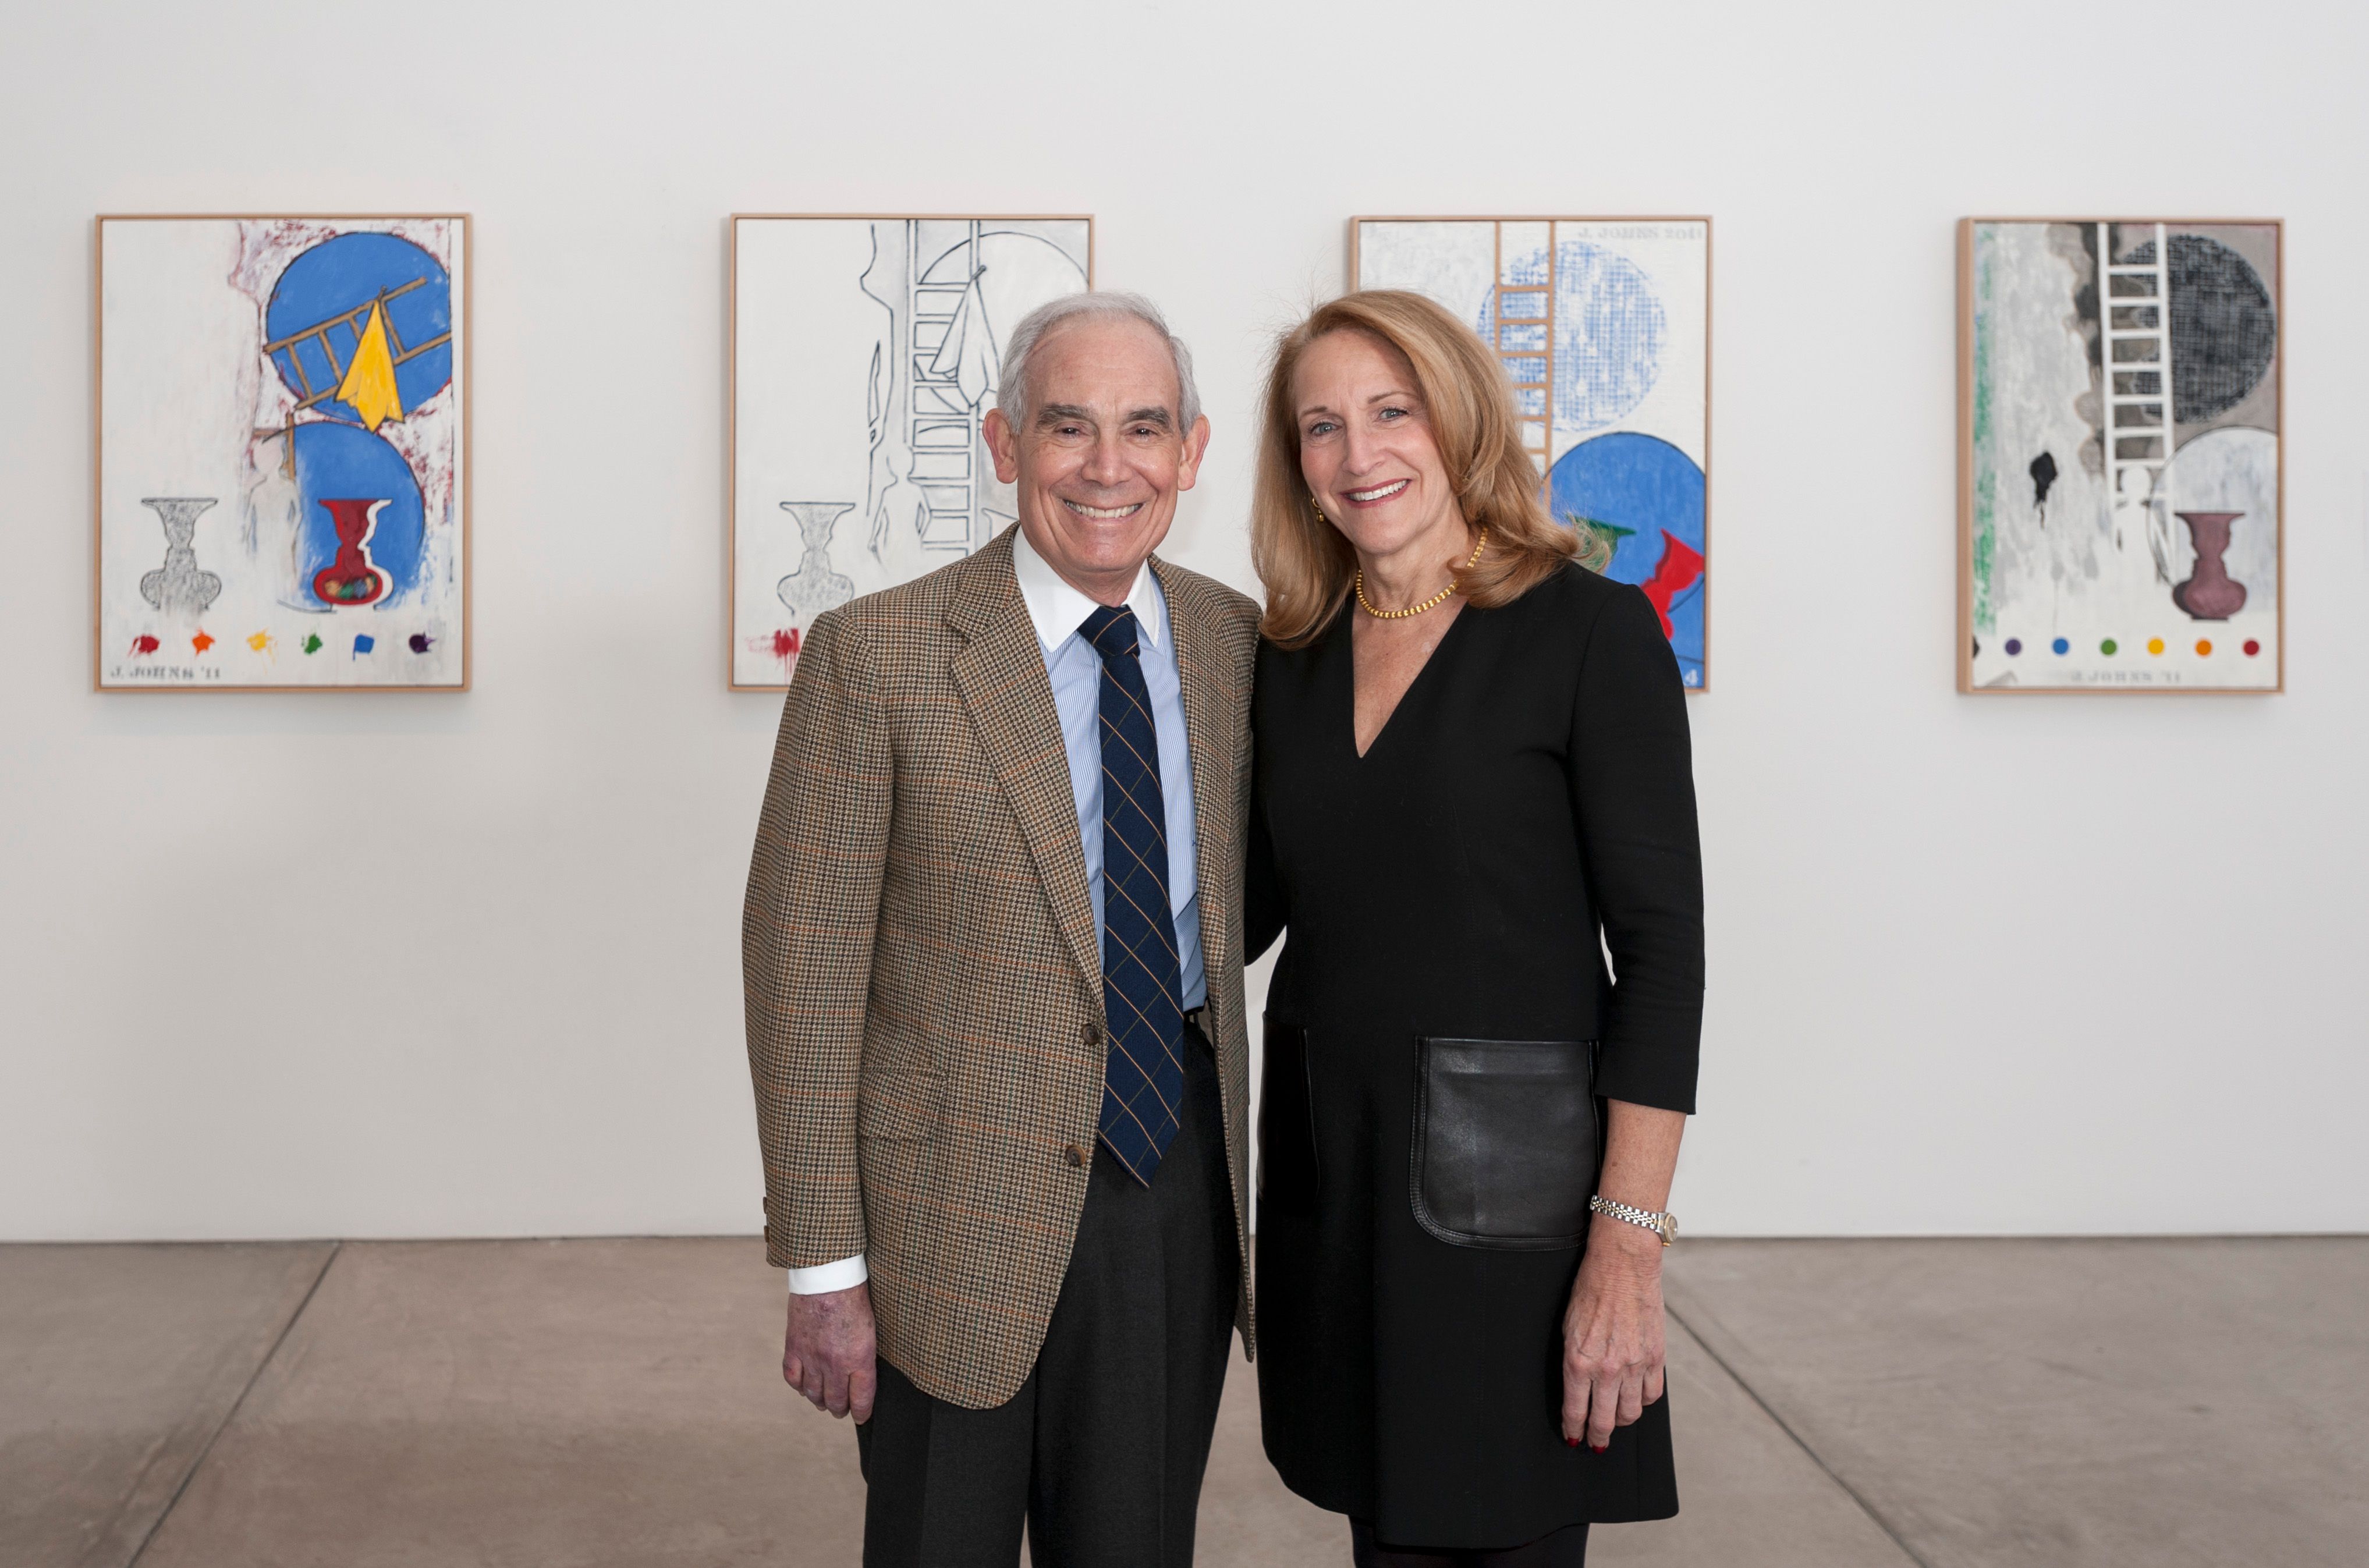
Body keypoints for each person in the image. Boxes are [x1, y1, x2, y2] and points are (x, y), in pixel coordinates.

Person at [742, 292, 1262, 1567]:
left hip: (1170, 1187)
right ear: (1000, 445)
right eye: (1066, 427)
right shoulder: (878, 657)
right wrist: (823, 1268)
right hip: (941, 1217)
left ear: (1190, 453)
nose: (1106, 467)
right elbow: (800, 978)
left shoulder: (1238, 643)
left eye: (1144, 429)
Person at [1245, 290, 1704, 1567]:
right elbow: (1235, 911)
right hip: (1333, 1188)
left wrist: (1628, 1247)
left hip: (1516, 1207)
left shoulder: (1589, 632)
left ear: (1459, 422)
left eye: (1393, 411)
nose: (1359, 453)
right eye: (1321, 426)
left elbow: (1664, 959)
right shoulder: (1289, 655)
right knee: (1382, 1540)